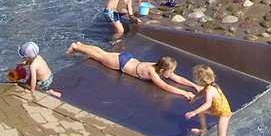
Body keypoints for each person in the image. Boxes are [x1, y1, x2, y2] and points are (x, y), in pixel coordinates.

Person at [65, 43, 200, 98]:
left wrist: (194, 86)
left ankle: (81, 45)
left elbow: (178, 78)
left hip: (128, 58)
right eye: (170, 72)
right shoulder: (152, 73)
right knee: (99, 57)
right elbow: (165, 87)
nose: (172, 74)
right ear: (162, 70)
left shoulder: (158, 66)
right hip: (121, 63)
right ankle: (76, 48)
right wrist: (184, 93)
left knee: (103, 53)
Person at [186, 65, 232, 136]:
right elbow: (202, 92)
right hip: (216, 109)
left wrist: (194, 112)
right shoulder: (210, 85)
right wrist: (194, 98)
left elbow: (208, 104)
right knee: (200, 110)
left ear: (200, 80)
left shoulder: (210, 90)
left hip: (224, 114)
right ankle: (203, 129)